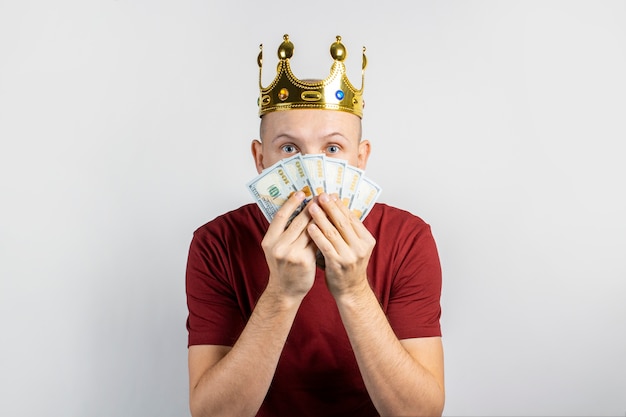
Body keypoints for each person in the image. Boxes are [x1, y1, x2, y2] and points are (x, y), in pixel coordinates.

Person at [186, 34, 445, 417]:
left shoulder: (408, 238)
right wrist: (281, 296)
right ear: (261, 159)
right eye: (289, 148)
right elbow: (212, 414)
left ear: (361, 158)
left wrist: (355, 291)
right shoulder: (216, 243)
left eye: (332, 149)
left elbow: (420, 413)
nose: (311, 169)